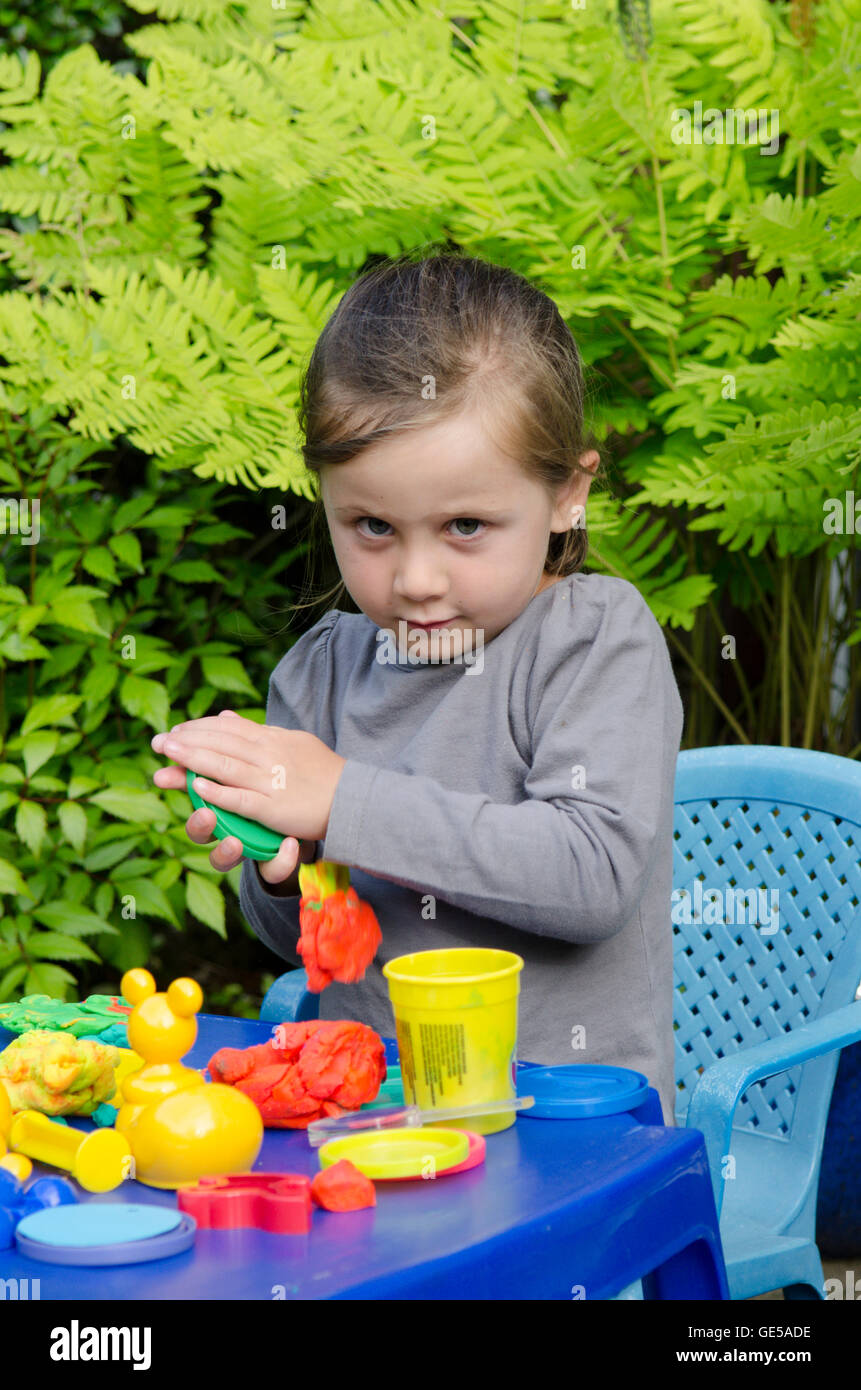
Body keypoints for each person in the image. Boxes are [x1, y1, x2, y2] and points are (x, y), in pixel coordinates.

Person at [151, 251, 684, 1126]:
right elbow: (311, 948)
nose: (416, 578)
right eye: (371, 527)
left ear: (566, 496)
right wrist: (286, 871)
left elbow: (592, 877)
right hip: (368, 1117)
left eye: (465, 525)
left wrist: (341, 799)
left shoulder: (593, 640)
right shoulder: (322, 668)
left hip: (565, 1132)